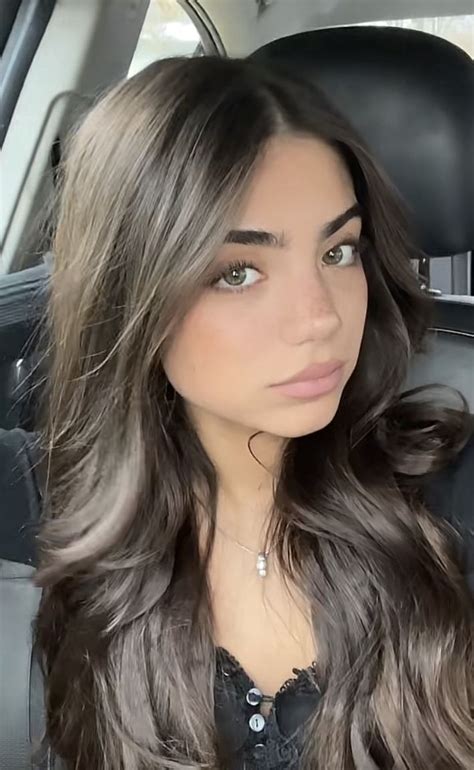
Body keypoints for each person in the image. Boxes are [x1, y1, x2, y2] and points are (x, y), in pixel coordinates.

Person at [5, 55, 473, 769]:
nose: (320, 319)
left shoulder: (451, 491)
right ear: (131, 292)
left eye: (339, 252)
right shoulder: (39, 501)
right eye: (238, 272)